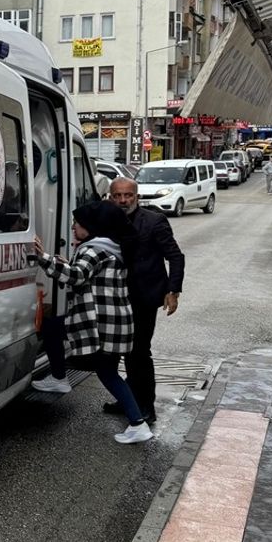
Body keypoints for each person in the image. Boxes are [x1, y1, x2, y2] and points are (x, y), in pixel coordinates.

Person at [33, 200, 152, 444]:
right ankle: (137, 423)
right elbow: (88, 275)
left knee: (53, 329)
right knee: (107, 371)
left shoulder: (93, 249)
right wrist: (66, 263)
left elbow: (76, 277)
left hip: (100, 322)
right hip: (115, 322)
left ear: (93, 225)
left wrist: (42, 258)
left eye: (78, 222)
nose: (74, 226)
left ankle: (59, 379)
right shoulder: (111, 246)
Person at [106, 177, 185, 423]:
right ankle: (127, 399)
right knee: (121, 352)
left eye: (128, 195)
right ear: (111, 197)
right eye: (118, 196)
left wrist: (173, 291)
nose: (123, 200)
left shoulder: (154, 221)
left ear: (136, 197)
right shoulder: (107, 221)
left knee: (139, 353)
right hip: (115, 298)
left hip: (144, 297)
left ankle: (146, 406)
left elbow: (175, 256)